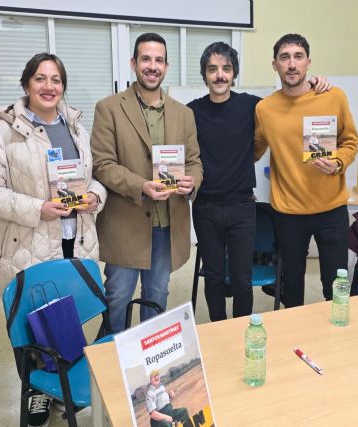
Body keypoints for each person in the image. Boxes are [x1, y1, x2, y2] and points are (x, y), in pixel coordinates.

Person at [0, 52, 106, 427]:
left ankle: (60, 389)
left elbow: (90, 177)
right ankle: (37, 393)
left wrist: (95, 197)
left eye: (56, 80)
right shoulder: (3, 132)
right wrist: (37, 208)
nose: (49, 87)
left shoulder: (75, 127)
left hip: (74, 241)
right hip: (27, 244)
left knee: (66, 322)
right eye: (40, 79)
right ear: (26, 84)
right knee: (32, 328)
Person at [187, 42, 331, 321]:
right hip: (205, 208)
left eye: (226, 69)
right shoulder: (191, 112)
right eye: (212, 69)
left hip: (243, 208)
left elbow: (290, 102)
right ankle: (218, 331)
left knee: (242, 278)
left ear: (234, 73)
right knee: (214, 277)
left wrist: (314, 84)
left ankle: (241, 330)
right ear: (204, 74)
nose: (220, 75)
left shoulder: (253, 106)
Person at [91, 33, 202, 332]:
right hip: (125, 224)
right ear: (133, 63)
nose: (152, 66)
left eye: (159, 60)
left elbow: (194, 161)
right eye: (146, 59)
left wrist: (192, 182)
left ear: (166, 66)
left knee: (156, 296)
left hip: (167, 225)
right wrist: (141, 186)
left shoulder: (184, 114)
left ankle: (148, 354)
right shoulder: (109, 108)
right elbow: (103, 164)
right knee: (118, 297)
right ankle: (113, 352)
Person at [254, 34, 358, 308]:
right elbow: (252, 150)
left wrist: (338, 163)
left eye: (298, 57)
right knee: (291, 288)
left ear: (308, 63)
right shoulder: (264, 109)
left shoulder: (333, 97)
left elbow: (350, 141)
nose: (292, 64)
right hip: (288, 213)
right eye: (284, 57)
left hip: (331, 209)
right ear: (275, 64)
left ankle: (337, 331)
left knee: (336, 286)